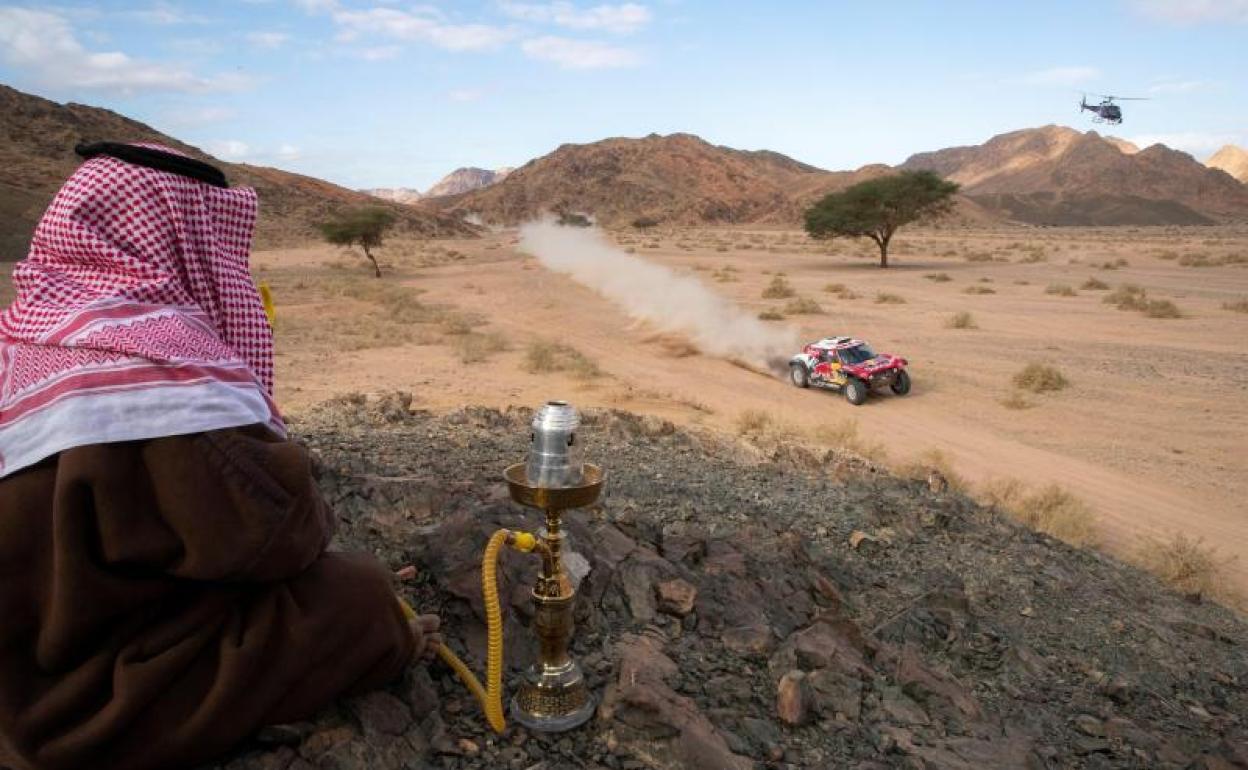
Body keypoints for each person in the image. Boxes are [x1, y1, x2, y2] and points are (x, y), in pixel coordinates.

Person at [0, 143, 441, 770]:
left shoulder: (21, 334)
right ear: (185, 233)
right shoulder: (163, 371)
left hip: (26, 649)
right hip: (70, 700)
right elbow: (280, 540)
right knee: (360, 594)